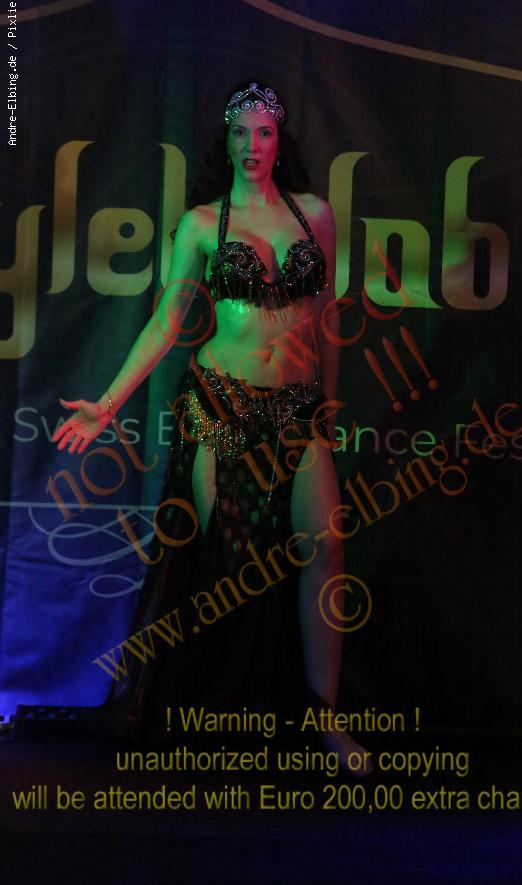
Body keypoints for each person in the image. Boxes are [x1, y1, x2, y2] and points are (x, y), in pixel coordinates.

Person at [53, 80, 371, 775]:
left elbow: (326, 316)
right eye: (240, 132)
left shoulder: (315, 214)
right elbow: (167, 321)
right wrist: (107, 404)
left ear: (279, 140)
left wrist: (330, 405)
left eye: (264, 132)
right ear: (225, 141)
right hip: (219, 403)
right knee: (222, 562)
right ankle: (210, 713)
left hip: (296, 408)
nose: (252, 145)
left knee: (326, 548)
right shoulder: (203, 222)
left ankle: (326, 719)